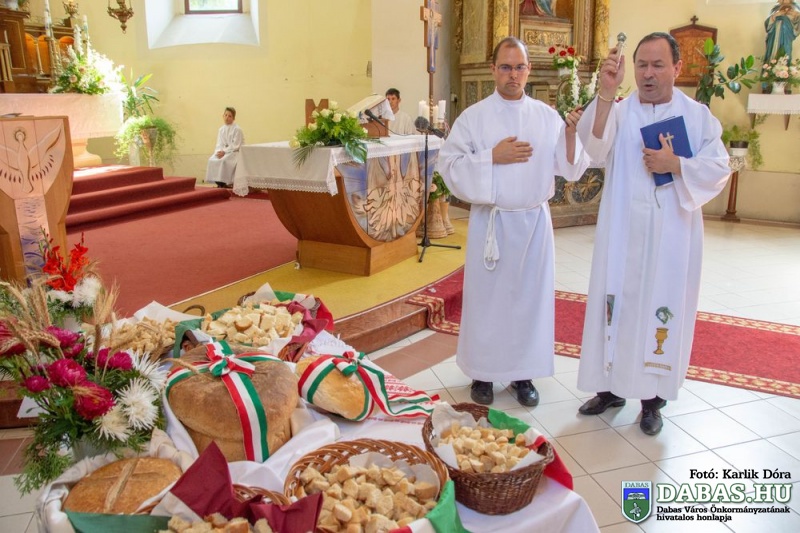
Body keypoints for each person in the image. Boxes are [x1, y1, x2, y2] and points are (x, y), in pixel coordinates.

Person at [575, 33, 730, 435]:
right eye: (641, 65)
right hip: (622, 233)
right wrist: (606, 93)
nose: (648, 74)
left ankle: (652, 401)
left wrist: (676, 164)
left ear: (677, 68)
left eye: (658, 65)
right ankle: (610, 389)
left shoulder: (697, 117)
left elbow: (719, 168)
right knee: (617, 305)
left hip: (670, 238)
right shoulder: (620, 110)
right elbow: (593, 149)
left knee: (659, 310)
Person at [438, 36, 588, 407]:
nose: (513, 74)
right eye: (505, 67)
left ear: (528, 70)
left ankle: (524, 374)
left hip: (533, 223)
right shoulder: (474, 117)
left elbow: (570, 167)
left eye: (519, 67)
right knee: (487, 301)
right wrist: (491, 157)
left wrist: (571, 133)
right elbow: (449, 165)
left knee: (529, 301)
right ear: (493, 70)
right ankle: (483, 374)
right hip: (493, 223)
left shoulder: (546, 116)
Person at [205, 107, 244, 188]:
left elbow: (235, 145)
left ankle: (226, 182)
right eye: (225, 115)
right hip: (223, 152)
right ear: (223, 116)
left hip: (234, 152)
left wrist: (224, 152)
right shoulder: (221, 129)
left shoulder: (237, 129)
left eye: (229, 116)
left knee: (224, 161)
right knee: (212, 160)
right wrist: (219, 152)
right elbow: (219, 144)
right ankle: (219, 183)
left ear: (233, 118)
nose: (227, 117)